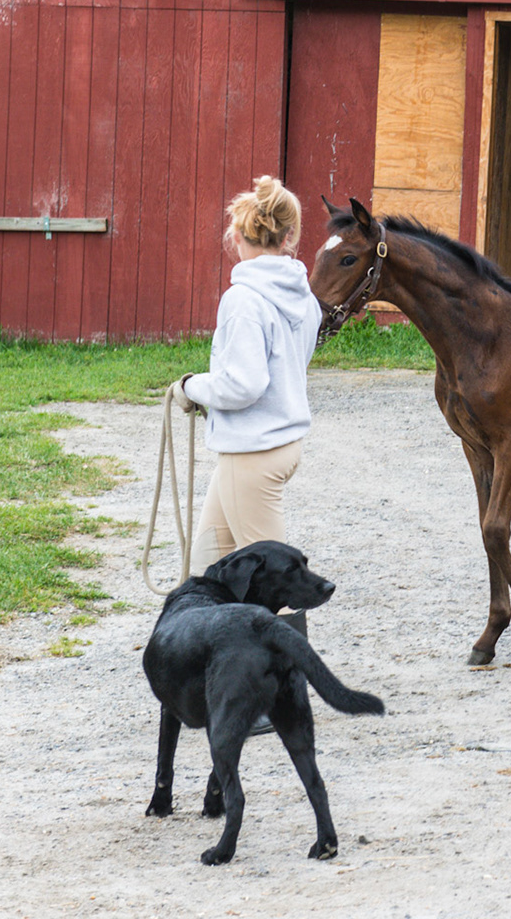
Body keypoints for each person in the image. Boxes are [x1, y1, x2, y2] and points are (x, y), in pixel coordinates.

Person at [167, 176, 323, 703]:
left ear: (241, 235)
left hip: (251, 454)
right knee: (207, 567)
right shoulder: (302, 296)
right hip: (275, 447)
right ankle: (206, 673)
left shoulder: (243, 301)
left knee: (278, 585)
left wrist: (194, 387)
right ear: (289, 238)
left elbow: (245, 383)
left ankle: (283, 692)